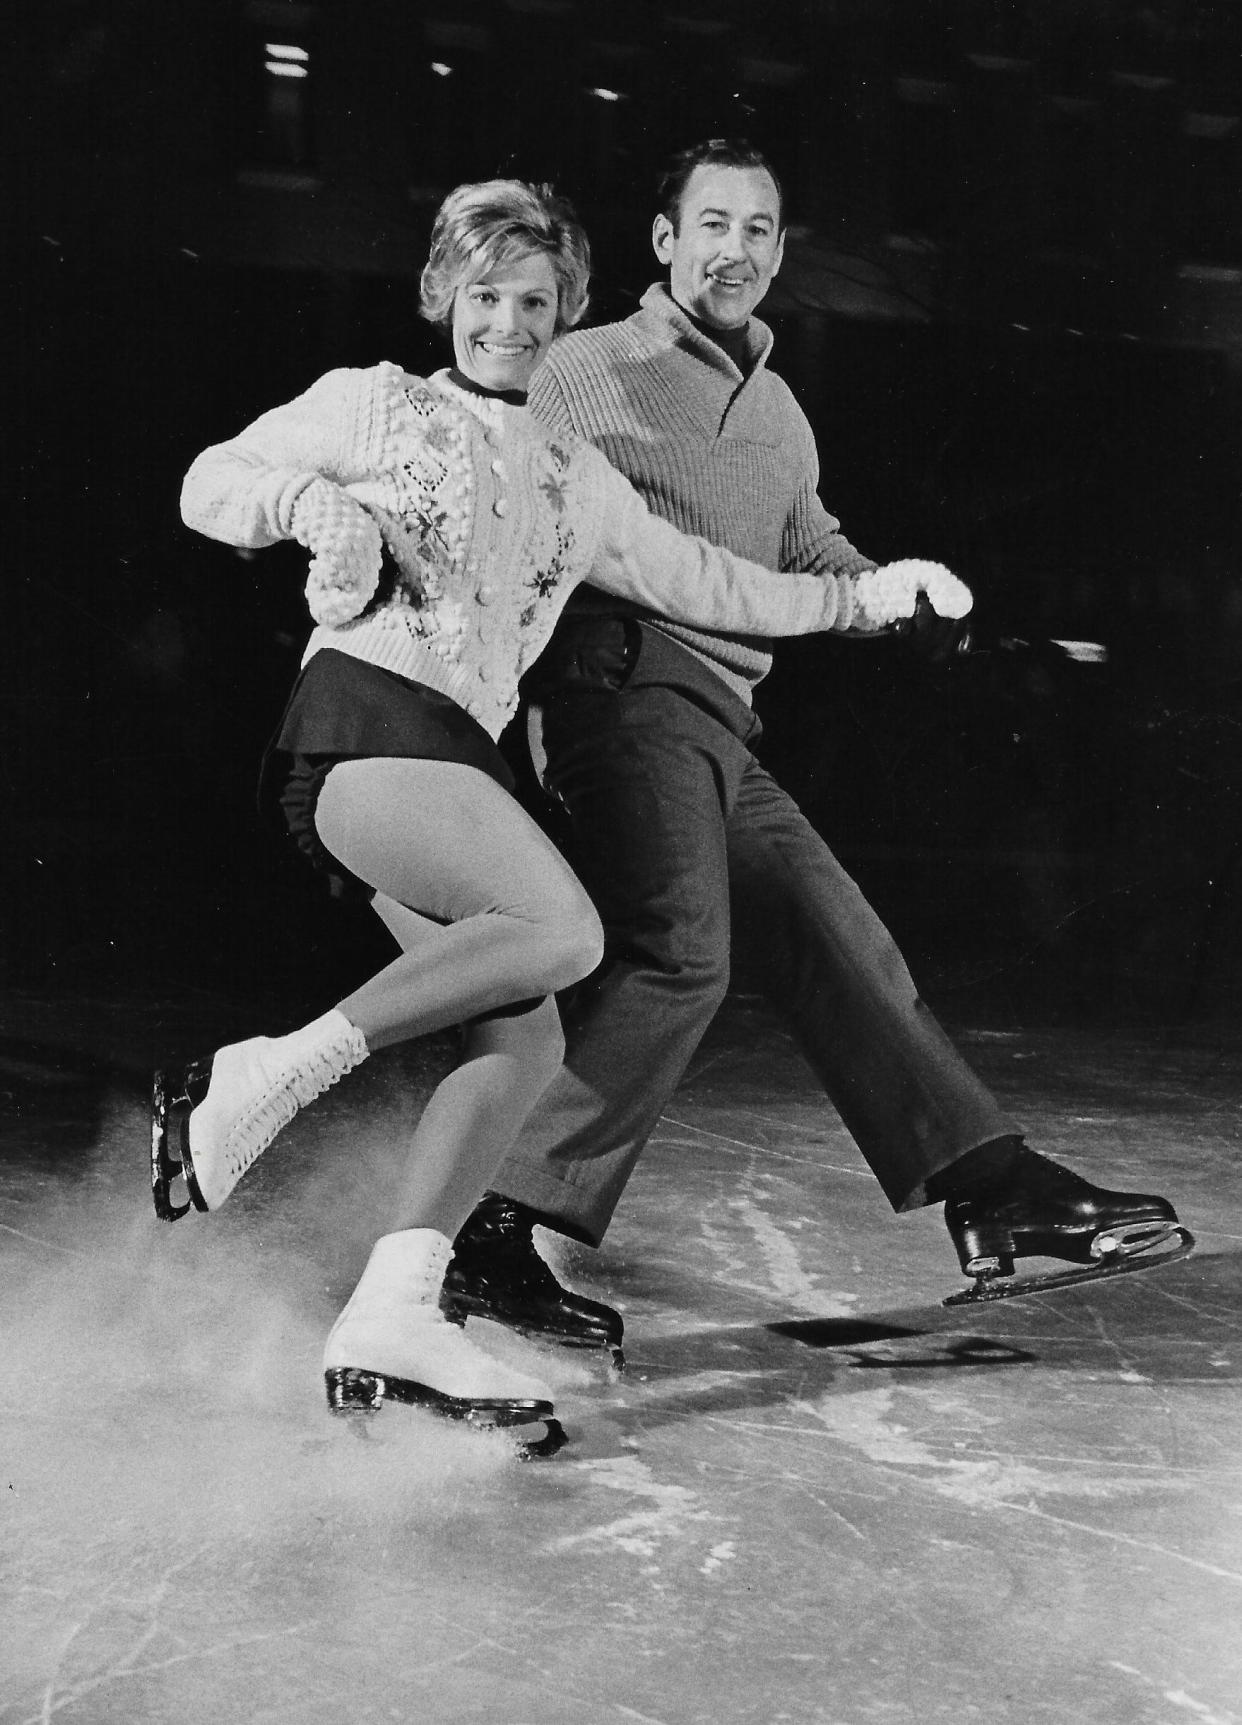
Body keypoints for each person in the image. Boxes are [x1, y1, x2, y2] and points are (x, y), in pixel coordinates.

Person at [152, 177, 967, 1441]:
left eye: (536, 303)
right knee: (574, 930)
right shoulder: (379, 401)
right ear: (445, 298)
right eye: (486, 297)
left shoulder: (574, 477)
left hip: (455, 770)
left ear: (561, 313)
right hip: (364, 728)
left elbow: (717, 583)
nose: (509, 325)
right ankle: (251, 1082)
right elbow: (214, 477)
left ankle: (394, 1314)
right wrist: (306, 506)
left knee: (523, 1039)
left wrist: (867, 597)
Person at [442, 141, 1187, 1359]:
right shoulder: (585, 367)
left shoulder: (779, 409)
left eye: (762, 231)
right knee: (683, 951)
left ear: (781, 256)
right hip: (617, 692)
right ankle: (494, 1226)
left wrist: (899, 594)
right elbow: (510, 484)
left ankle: (992, 1193)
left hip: (721, 716)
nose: (736, 250)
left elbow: (810, 546)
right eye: (713, 224)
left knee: (837, 931)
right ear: (665, 241)